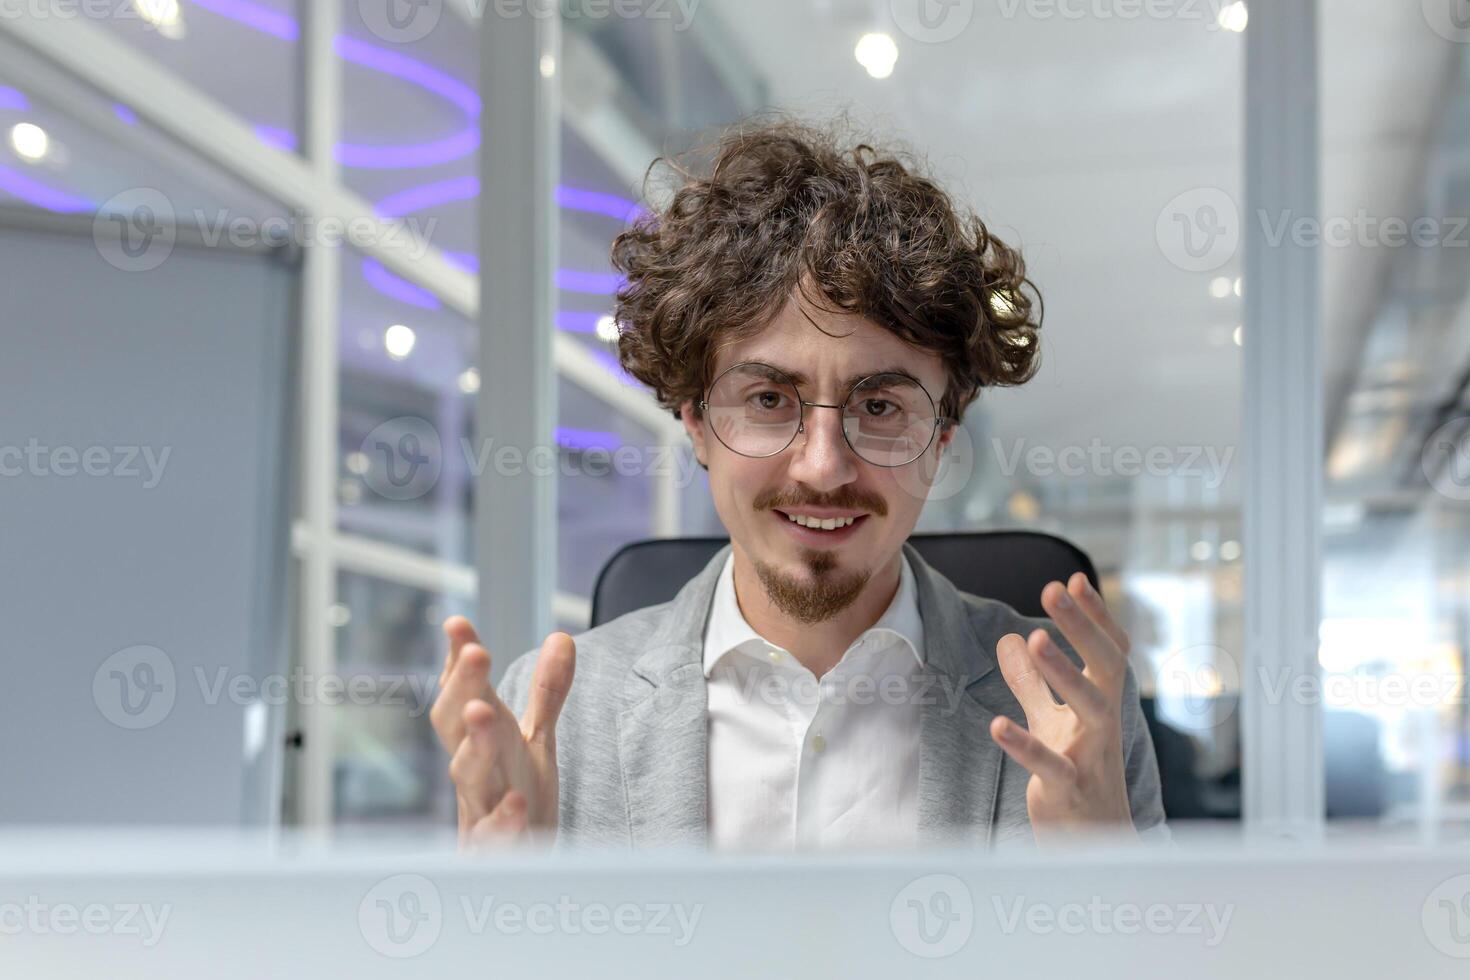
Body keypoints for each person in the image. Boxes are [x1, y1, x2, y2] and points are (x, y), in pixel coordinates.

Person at [429, 115, 1166, 852]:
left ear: (941, 438)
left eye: (879, 407)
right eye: (769, 401)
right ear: (694, 420)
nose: (822, 467)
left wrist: (1104, 878)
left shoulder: (1073, 709)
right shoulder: (554, 713)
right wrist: (507, 903)